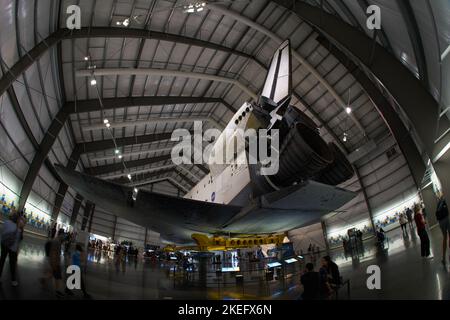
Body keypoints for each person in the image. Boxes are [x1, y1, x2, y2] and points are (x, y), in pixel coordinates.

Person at [0, 210, 25, 286]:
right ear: (18, 219)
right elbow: (20, 239)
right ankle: (13, 280)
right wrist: (21, 228)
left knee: (2, 260)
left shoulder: (6, 222)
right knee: (12, 264)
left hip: (3, 244)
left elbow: (3, 232)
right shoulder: (18, 228)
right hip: (12, 248)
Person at [436, 192, 450, 265]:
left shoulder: (439, 202)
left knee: (445, 237)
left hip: (441, 222)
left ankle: (444, 258)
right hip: (447, 218)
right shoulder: (446, 198)